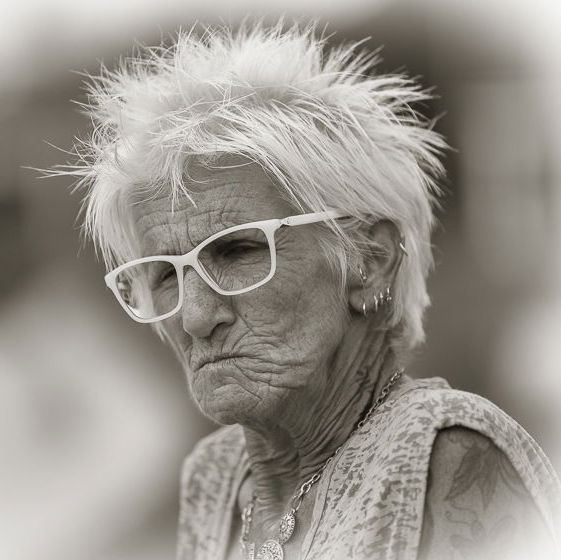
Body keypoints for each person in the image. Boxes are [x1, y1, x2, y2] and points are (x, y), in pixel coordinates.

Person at [65, 22, 561, 560]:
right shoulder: (213, 479)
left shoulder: (448, 457)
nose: (195, 317)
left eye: (238, 252)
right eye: (164, 274)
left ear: (370, 261)